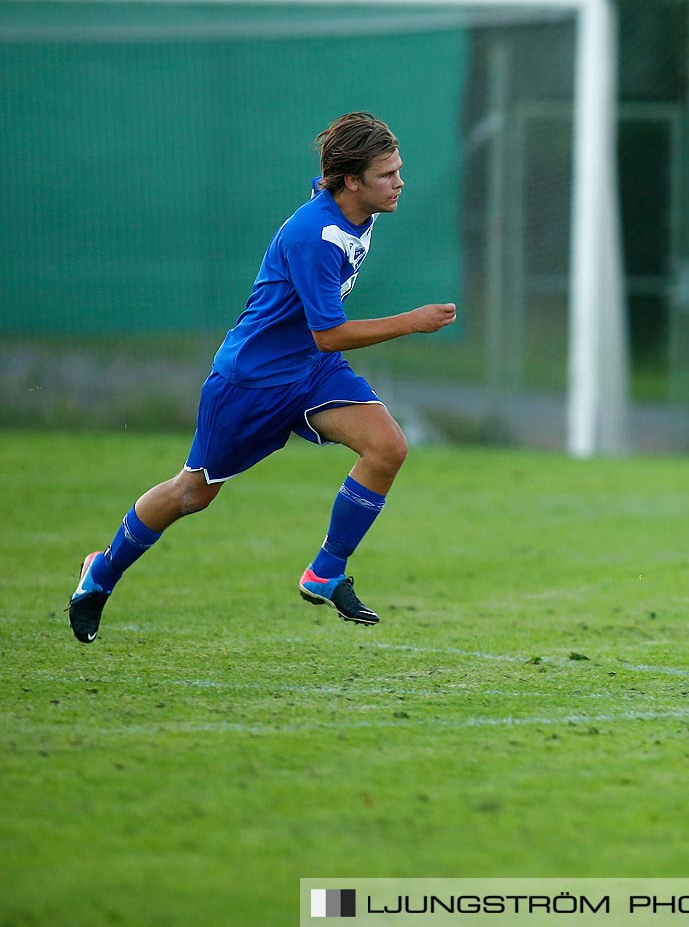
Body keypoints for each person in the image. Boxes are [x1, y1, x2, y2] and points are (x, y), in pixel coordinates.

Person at [67, 112, 457, 643]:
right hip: (253, 380)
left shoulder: (356, 209)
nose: (399, 182)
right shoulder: (315, 237)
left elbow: (319, 340)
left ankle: (325, 572)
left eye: (398, 170)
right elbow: (331, 334)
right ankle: (102, 571)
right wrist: (412, 322)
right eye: (387, 174)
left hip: (311, 372)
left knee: (388, 448)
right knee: (193, 494)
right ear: (352, 181)